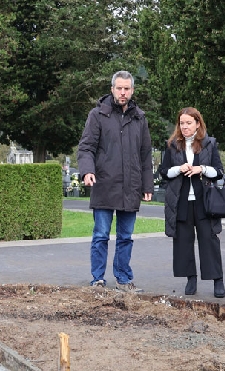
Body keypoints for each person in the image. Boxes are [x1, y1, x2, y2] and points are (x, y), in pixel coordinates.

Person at [77, 70, 153, 292]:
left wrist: (147, 185)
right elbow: (86, 147)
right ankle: (97, 280)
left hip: (131, 187)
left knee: (125, 237)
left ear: (132, 90)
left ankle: (124, 279)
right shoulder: (97, 115)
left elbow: (146, 154)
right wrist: (87, 171)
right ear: (112, 89)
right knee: (101, 235)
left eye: (126, 89)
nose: (122, 92)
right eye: (119, 88)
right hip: (104, 184)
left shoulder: (139, 117)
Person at [159, 107, 225, 298]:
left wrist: (201, 169)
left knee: (209, 240)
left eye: (189, 123)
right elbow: (164, 172)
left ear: (198, 123)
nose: (185, 127)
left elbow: (219, 172)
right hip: (181, 201)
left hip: (205, 202)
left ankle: (217, 280)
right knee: (183, 241)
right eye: (182, 123)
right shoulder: (172, 145)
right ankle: (191, 278)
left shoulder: (209, 143)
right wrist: (179, 169)